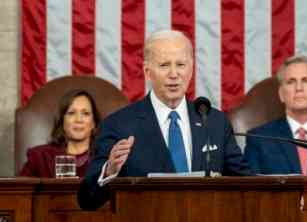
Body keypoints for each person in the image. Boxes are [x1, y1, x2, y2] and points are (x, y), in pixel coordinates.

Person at [78, 30, 250, 210]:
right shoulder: (118, 125)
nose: (174, 74)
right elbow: (87, 200)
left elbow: (246, 184)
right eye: (164, 65)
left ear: (191, 69)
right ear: (147, 72)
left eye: (181, 64)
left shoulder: (214, 121)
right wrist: (110, 171)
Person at [19, 89, 101, 177]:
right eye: (71, 113)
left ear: (93, 123)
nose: (78, 120)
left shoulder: (105, 158)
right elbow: (20, 189)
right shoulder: (39, 157)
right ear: (62, 121)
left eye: (85, 113)